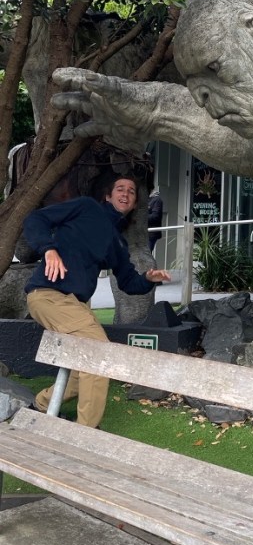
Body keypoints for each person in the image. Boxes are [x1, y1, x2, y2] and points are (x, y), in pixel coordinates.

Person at [23, 175, 170, 427]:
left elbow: (128, 282)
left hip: (75, 304)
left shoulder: (117, 242)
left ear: (134, 203)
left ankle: (42, 405)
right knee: (99, 353)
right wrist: (49, 249)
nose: (125, 194)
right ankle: (87, 432)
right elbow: (35, 219)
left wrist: (148, 278)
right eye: (120, 189)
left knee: (84, 366)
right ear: (108, 196)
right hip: (48, 294)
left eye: (131, 192)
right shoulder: (86, 207)